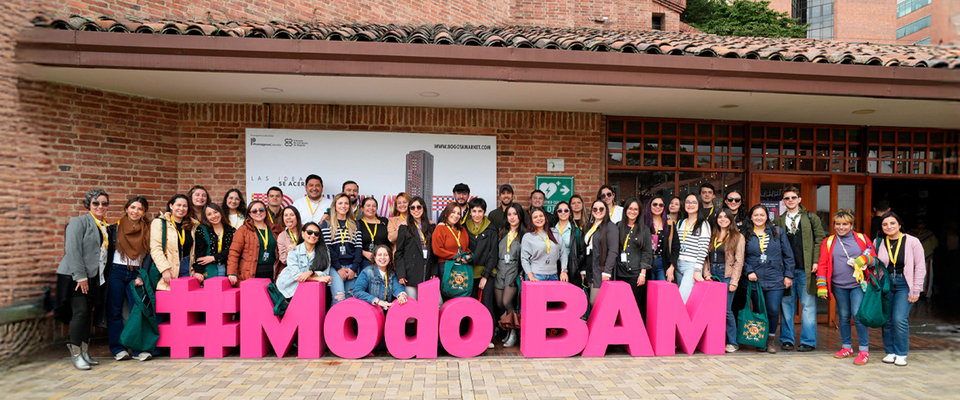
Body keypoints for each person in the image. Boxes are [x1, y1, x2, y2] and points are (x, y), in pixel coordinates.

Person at [55, 189, 110, 370]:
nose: (100, 206)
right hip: (74, 276)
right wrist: (80, 277)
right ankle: (76, 354)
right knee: (80, 313)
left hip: (93, 277)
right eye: (96, 203)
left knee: (87, 314)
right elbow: (73, 251)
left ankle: (85, 352)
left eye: (104, 203)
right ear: (88, 205)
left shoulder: (104, 225)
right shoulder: (78, 222)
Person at [816, 209, 877, 365]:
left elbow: (875, 259)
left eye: (845, 224)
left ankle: (864, 351)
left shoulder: (862, 239)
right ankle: (847, 347)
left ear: (851, 225)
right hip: (839, 286)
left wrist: (865, 260)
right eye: (837, 224)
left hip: (858, 285)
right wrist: (822, 285)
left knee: (857, 315)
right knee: (843, 316)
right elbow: (822, 264)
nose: (841, 227)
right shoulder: (828, 242)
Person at [773, 187, 826, 352]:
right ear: (783, 201)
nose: (790, 200)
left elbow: (820, 239)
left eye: (793, 197)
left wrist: (816, 261)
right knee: (786, 306)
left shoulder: (811, 217)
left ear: (799, 199)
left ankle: (808, 341)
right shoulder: (778, 221)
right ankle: (787, 340)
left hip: (807, 270)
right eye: (787, 198)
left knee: (808, 306)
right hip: (786, 271)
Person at [743, 204, 795, 354]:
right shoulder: (745, 234)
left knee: (773, 309)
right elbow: (740, 257)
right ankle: (761, 339)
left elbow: (788, 255)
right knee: (759, 310)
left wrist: (788, 275)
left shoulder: (777, 232)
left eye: (762, 215)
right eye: (755, 215)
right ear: (751, 217)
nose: (759, 218)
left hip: (775, 278)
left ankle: (770, 340)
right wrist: (748, 271)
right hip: (755, 279)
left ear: (767, 217)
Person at [105, 196, 152, 362]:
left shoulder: (147, 229)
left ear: (144, 212)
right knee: (114, 312)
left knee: (137, 311)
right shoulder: (114, 228)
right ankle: (118, 349)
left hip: (136, 273)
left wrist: (141, 275)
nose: (135, 211)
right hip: (116, 271)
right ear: (126, 209)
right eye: (132, 207)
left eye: (140, 209)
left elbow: (149, 255)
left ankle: (138, 350)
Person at [877, 212, 926, 367]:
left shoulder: (913, 242)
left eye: (892, 223)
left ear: (899, 224)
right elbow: (874, 264)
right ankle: (890, 352)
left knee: (899, 318)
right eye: (885, 224)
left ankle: (901, 353)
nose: (889, 227)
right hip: (885, 283)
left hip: (905, 284)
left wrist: (916, 290)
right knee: (887, 320)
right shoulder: (878, 242)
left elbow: (920, 267)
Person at [702, 209, 744, 353]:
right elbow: (705, 257)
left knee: (726, 310)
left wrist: (734, 281)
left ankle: (732, 342)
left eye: (726, 217)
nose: (723, 219)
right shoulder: (712, 235)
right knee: (712, 309)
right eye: (720, 217)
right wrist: (706, 273)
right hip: (712, 275)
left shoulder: (737, 237)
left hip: (726, 275)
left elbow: (739, 261)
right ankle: (716, 340)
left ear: (731, 219)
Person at [276, 222, 344, 302]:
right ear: (303, 234)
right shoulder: (294, 252)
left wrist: (311, 272)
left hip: (309, 289)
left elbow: (325, 273)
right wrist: (316, 278)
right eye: (309, 232)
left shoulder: (325, 252)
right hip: (288, 288)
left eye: (316, 234)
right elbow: (296, 276)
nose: (313, 235)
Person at [151, 194, 200, 291]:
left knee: (186, 298)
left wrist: (194, 268)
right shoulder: (160, 223)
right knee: (169, 298)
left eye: (185, 206)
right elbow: (156, 248)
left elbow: (195, 249)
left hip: (187, 267)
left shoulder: (193, 224)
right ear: (171, 206)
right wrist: (164, 269)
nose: (181, 208)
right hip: (169, 267)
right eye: (178, 205)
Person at [321, 193, 364, 302]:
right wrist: (339, 268)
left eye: (346, 203)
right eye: (340, 203)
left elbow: (358, 248)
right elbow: (327, 248)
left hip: (351, 267)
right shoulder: (327, 224)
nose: (343, 206)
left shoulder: (355, 224)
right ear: (335, 206)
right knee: (339, 297)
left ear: (349, 206)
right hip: (334, 266)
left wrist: (354, 268)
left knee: (350, 299)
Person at [465, 197, 498, 334]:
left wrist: (485, 275)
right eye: (474, 211)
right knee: (471, 305)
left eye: (480, 211)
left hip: (487, 272)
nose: (477, 214)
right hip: (469, 272)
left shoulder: (491, 229)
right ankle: (473, 334)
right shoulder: (465, 227)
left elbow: (493, 253)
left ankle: (489, 335)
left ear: (484, 212)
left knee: (486, 303)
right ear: (470, 212)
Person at [615, 198, 653, 313]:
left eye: (636, 209)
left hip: (635, 274)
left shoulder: (644, 230)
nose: (632, 211)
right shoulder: (618, 226)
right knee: (619, 304)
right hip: (619, 272)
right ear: (625, 210)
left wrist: (643, 273)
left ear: (639, 211)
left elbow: (647, 252)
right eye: (630, 208)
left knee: (633, 305)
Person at [495, 203, 526, 347]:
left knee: (507, 301)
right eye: (509, 214)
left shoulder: (524, 234)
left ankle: (514, 332)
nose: (512, 217)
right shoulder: (501, 232)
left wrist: (522, 272)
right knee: (499, 303)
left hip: (514, 269)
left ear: (520, 216)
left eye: (515, 214)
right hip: (500, 268)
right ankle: (508, 329)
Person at [227, 200, 278, 285]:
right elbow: (234, 252)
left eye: (261, 210)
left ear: (265, 212)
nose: (258, 213)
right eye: (254, 211)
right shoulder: (243, 230)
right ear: (250, 214)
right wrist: (232, 272)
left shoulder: (274, 229)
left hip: (271, 272)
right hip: (251, 272)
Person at [394, 196, 436, 299]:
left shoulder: (431, 226)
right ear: (409, 210)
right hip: (410, 273)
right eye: (412, 207)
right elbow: (399, 253)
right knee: (411, 302)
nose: (416, 210)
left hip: (427, 270)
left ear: (423, 208)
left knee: (431, 302)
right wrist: (401, 274)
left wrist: (434, 271)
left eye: (419, 207)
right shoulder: (404, 227)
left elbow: (434, 251)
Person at [675, 193, 711, 303]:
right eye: (688, 202)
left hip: (691, 266)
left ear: (699, 205)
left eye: (694, 202)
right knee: (680, 297)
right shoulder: (681, 223)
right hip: (678, 264)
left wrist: (697, 269)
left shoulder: (703, 224)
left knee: (682, 298)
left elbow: (703, 248)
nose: (690, 205)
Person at [582, 199, 619, 305]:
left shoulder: (611, 227)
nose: (598, 211)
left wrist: (607, 271)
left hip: (601, 270)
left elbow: (613, 251)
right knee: (590, 301)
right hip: (590, 269)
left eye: (601, 209)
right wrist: (583, 269)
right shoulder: (590, 226)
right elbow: (586, 248)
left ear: (606, 210)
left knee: (595, 302)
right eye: (595, 209)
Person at [353, 244, 410, 310]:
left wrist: (402, 295)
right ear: (375, 257)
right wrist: (377, 301)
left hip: (386, 309)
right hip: (371, 310)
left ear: (390, 258)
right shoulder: (367, 272)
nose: (382, 257)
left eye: (386, 255)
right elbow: (357, 291)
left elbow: (397, 287)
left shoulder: (392, 273)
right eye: (379, 255)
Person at [521, 207, 568, 282]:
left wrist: (564, 271)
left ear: (545, 218)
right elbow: (524, 259)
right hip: (536, 275)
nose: (539, 218)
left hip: (553, 275)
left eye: (541, 216)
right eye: (535, 217)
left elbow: (563, 252)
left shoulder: (555, 232)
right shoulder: (528, 236)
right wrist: (531, 277)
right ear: (531, 220)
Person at [432, 202, 471, 284]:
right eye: (453, 212)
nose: (456, 215)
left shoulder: (463, 230)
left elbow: (466, 249)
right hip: (446, 266)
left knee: (462, 291)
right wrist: (455, 256)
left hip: (462, 266)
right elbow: (437, 250)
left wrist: (469, 256)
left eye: (458, 213)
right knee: (448, 291)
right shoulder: (440, 228)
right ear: (446, 214)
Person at [194, 203, 235, 279]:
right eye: (209, 214)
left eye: (215, 212)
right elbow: (200, 252)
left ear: (220, 212)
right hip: (209, 269)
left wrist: (214, 257)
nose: (213, 216)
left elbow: (232, 250)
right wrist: (198, 271)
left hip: (228, 269)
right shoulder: (202, 230)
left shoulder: (231, 230)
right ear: (206, 217)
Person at [643, 195, 679, 282]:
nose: (658, 207)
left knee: (663, 288)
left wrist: (672, 267)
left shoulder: (670, 224)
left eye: (661, 205)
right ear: (650, 206)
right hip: (646, 263)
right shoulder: (643, 223)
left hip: (663, 263)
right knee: (647, 289)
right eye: (655, 204)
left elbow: (676, 247)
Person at [358, 197, 389, 265]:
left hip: (383, 260)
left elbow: (390, 241)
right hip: (365, 260)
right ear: (362, 208)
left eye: (374, 206)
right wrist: (364, 253)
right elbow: (353, 245)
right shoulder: (357, 224)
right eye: (368, 205)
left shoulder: (384, 221)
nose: (371, 208)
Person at [911, 219, 938, 297]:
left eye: (921, 223)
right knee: (913, 276)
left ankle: (926, 293)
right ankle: (915, 293)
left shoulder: (929, 234)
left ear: (924, 224)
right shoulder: (910, 234)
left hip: (927, 258)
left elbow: (934, 245)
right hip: (913, 259)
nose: (919, 225)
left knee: (927, 275)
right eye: (917, 223)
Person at [275, 206, 303, 279]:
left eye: (292, 215)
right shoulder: (282, 236)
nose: (288, 217)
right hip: (292, 271)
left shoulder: (306, 230)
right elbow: (283, 260)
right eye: (286, 215)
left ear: (297, 217)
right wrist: (287, 252)